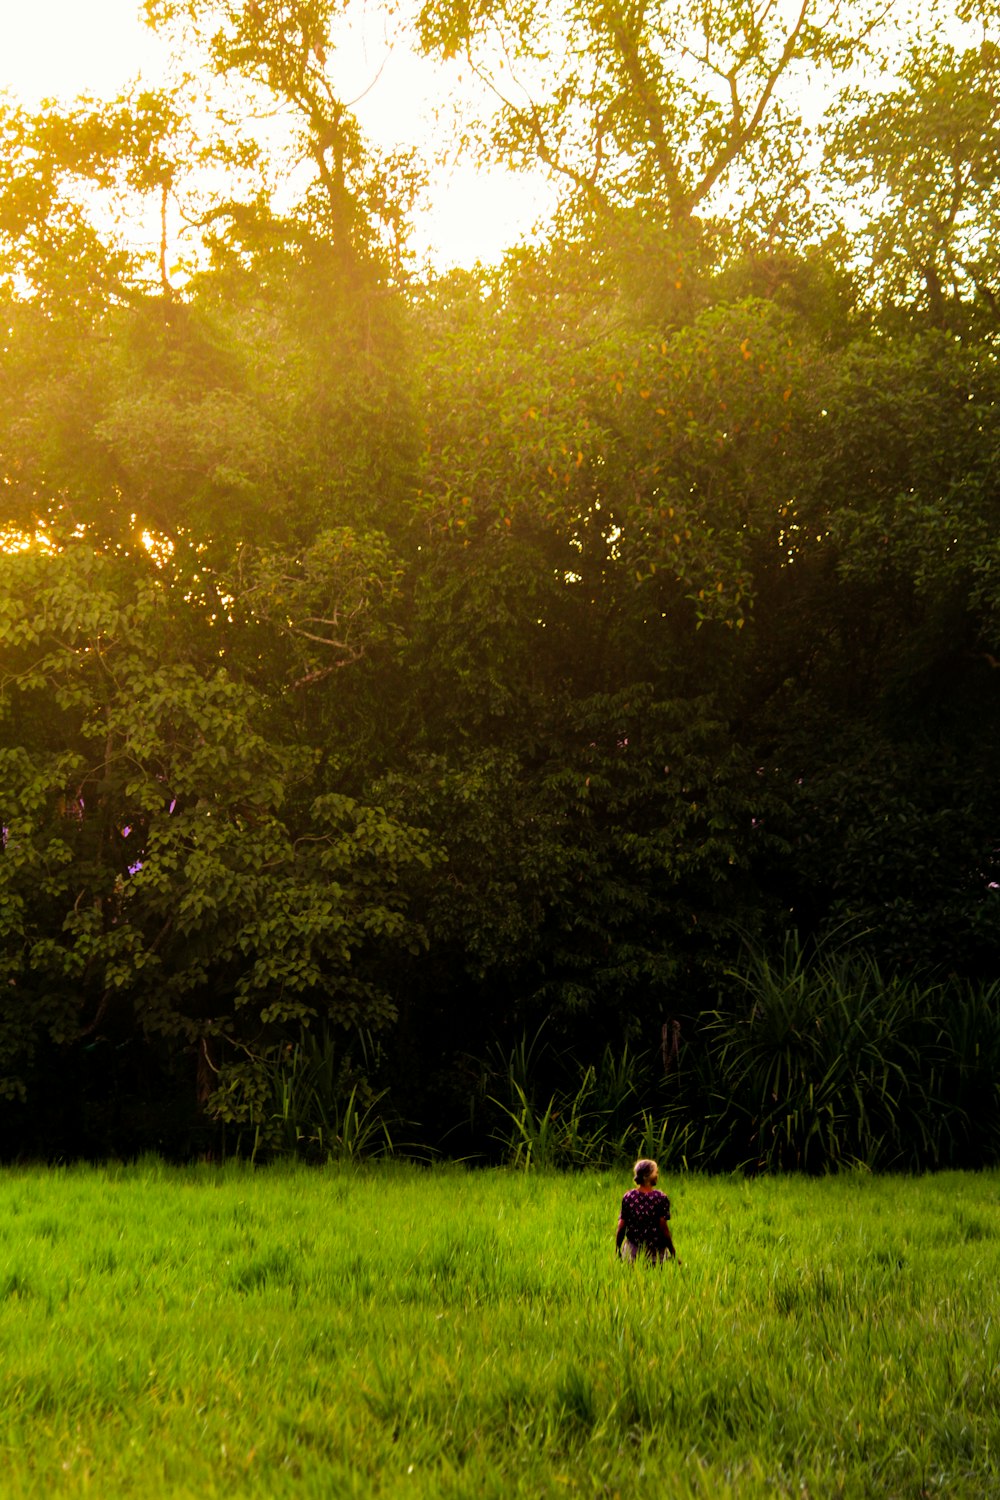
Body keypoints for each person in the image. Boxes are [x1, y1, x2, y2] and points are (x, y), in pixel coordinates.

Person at [615, 1158, 680, 1264]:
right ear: (649, 1176)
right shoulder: (661, 1198)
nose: (657, 1175)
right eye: (656, 1172)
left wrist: (617, 1250)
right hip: (656, 1253)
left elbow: (621, 1226)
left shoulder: (628, 1197)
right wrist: (672, 1252)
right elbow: (663, 1228)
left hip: (632, 1252)